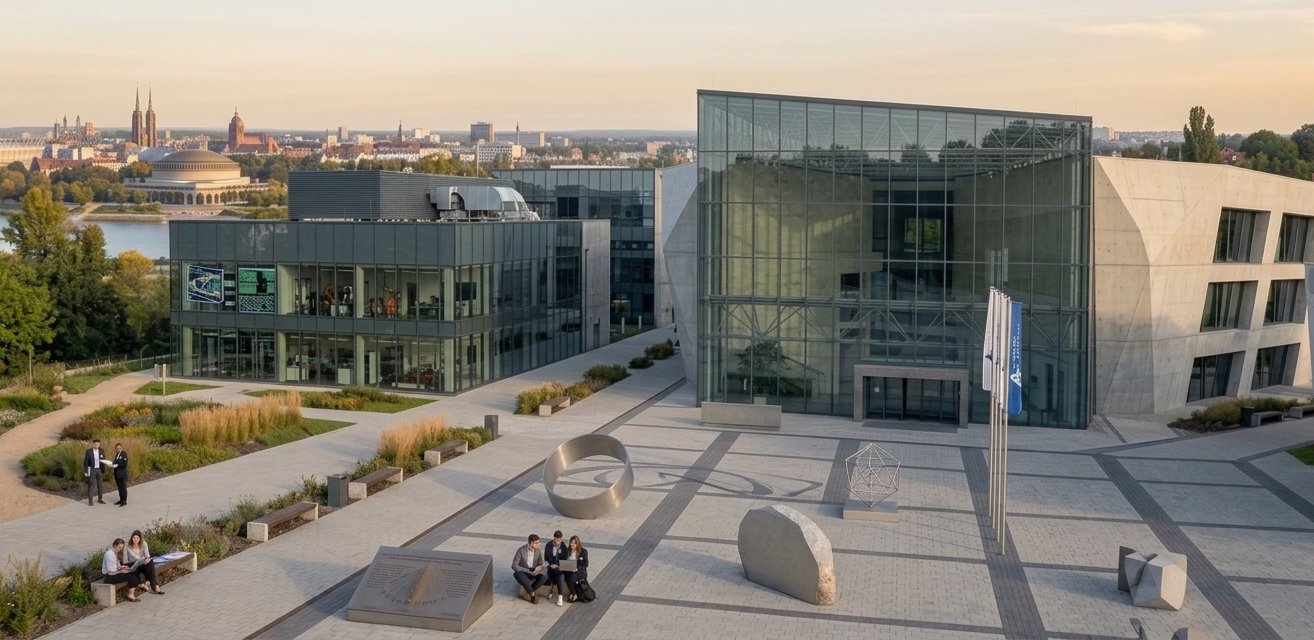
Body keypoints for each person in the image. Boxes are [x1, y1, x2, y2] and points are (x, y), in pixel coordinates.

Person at [123, 530, 163, 594]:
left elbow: (147, 555)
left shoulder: (144, 543)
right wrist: (128, 566)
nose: (135, 539)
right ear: (132, 538)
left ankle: (155, 586)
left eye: (137, 538)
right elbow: (125, 560)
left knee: (150, 562)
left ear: (140, 539)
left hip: (142, 564)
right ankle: (149, 585)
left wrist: (146, 560)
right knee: (136, 571)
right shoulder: (127, 546)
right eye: (134, 538)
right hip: (133, 565)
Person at [510, 533, 547, 604]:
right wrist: (528, 571)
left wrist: (539, 568)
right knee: (518, 574)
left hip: (534, 570)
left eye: (538, 542)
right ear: (530, 543)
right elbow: (514, 565)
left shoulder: (538, 551)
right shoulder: (521, 550)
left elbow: (540, 563)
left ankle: (530, 590)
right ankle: (532, 595)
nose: (538, 544)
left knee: (545, 576)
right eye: (536, 543)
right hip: (524, 571)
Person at [102, 538, 141, 602]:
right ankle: (131, 595)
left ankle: (132, 593)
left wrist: (123, 567)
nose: (120, 549)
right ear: (115, 545)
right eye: (119, 547)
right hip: (109, 577)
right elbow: (110, 572)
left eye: (121, 547)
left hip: (113, 574)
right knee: (131, 576)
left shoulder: (115, 553)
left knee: (133, 571)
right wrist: (121, 571)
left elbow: (116, 566)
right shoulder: (110, 555)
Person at [544, 530, 569, 606]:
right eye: (556, 539)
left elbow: (565, 559)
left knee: (560, 574)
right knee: (551, 574)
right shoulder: (548, 545)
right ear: (554, 538)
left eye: (559, 540)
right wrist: (551, 565)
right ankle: (551, 590)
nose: (558, 542)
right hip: (551, 567)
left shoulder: (563, 547)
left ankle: (560, 596)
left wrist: (558, 565)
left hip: (559, 567)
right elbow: (546, 558)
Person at [562, 535, 589, 602]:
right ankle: (574, 594)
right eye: (571, 543)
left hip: (578, 572)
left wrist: (576, 568)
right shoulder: (568, 551)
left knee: (570, 576)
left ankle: (573, 594)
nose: (572, 545)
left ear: (577, 543)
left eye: (574, 543)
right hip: (568, 570)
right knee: (568, 574)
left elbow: (586, 564)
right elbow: (564, 561)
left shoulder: (583, 551)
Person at [83, 439, 108, 506]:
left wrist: (104, 468)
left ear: (99, 444)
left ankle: (100, 499)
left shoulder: (101, 450)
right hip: (92, 470)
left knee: (100, 485)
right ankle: (90, 501)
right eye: (95, 444)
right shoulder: (89, 451)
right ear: (93, 444)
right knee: (91, 485)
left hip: (99, 470)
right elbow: (86, 462)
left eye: (98, 444)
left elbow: (103, 460)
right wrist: (86, 471)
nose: (97, 445)